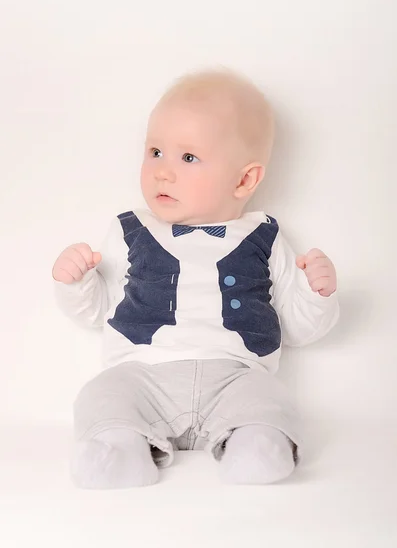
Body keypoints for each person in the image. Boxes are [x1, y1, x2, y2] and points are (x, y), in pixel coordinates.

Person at [52, 69, 339, 489]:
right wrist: (75, 283)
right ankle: (119, 450)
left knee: (271, 400)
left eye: (188, 158)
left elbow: (293, 327)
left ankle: (258, 444)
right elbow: (100, 309)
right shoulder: (129, 230)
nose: (163, 172)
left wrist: (317, 295)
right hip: (141, 374)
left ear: (244, 179)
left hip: (236, 376)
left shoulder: (266, 236)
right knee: (100, 395)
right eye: (155, 152)